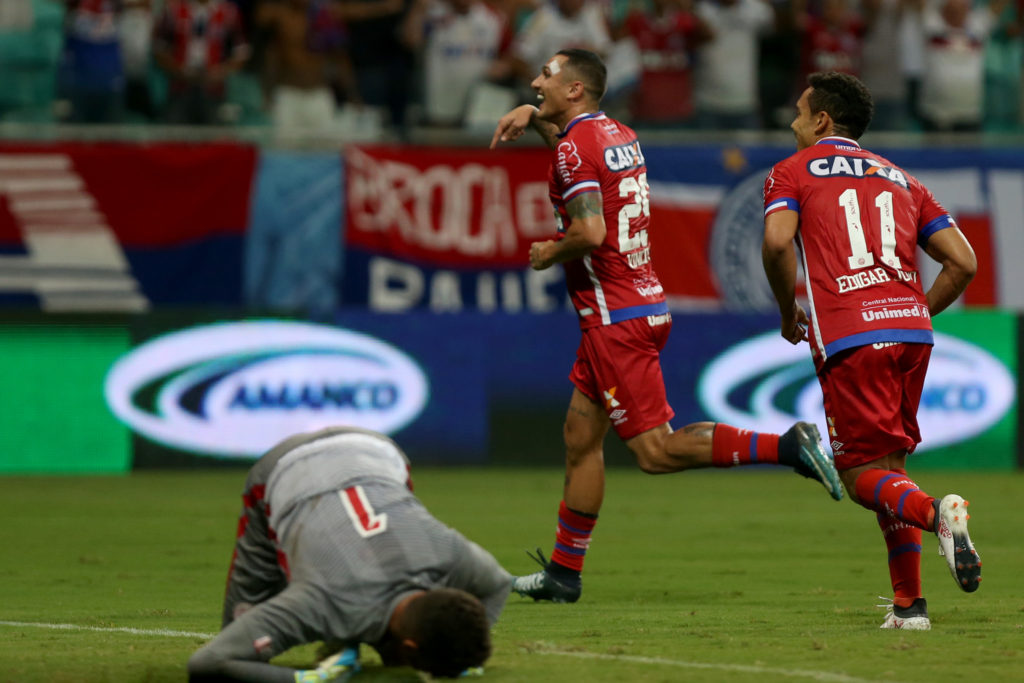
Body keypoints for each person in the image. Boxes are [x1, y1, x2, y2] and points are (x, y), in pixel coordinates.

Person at [489, 48, 843, 605]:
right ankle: (563, 572)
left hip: (614, 319)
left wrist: (548, 252)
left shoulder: (577, 149)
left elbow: (590, 233)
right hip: (638, 303)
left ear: (576, 90)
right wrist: (533, 116)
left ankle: (786, 447)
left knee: (655, 452)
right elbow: (577, 163)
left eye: (548, 76)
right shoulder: (616, 135)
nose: (536, 81)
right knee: (581, 438)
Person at [761, 71, 982, 630]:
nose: (791, 123)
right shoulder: (903, 178)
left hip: (848, 336)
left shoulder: (792, 171)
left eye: (798, 112)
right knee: (891, 470)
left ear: (822, 120)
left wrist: (789, 313)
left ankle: (938, 514)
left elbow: (777, 241)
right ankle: (910, 607)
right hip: (912, 334)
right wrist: (915, 313)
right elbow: (964, 262)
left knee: (859, 474)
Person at [188, 426, 511, 681]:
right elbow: (208, 663)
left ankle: (348, 640)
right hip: (282, 471)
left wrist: (459, 637)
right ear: (409, 647)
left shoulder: (450, 554)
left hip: (375, 450)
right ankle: (348, 639)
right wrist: (307, 679)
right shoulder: (319, 602)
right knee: (235, 639)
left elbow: (498, 583)